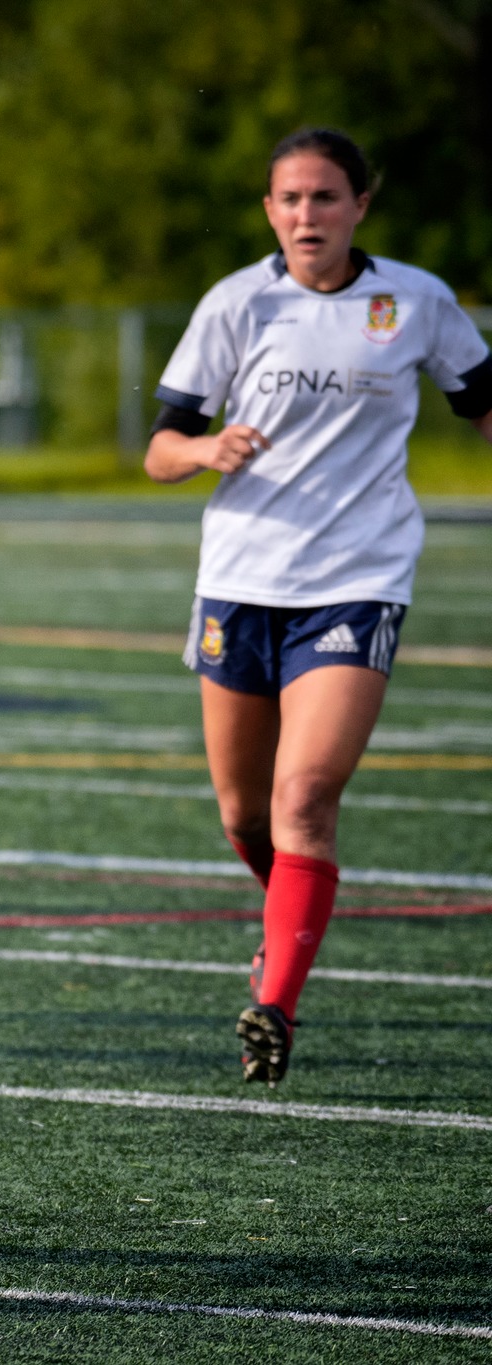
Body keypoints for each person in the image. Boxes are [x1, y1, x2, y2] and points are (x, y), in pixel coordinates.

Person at [145, 127, 492, 1086]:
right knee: (244, 814)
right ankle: (283, 932)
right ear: (269, 212)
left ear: (360, 207)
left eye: (327, 198)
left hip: (359, 578)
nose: (309, 215)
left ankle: (276, 1003)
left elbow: (482, 399)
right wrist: (204, 451)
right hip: (241, 580)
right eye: (291, 200)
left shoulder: (415, 301)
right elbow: (160, 448)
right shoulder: (237, 304)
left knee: (306, 799)